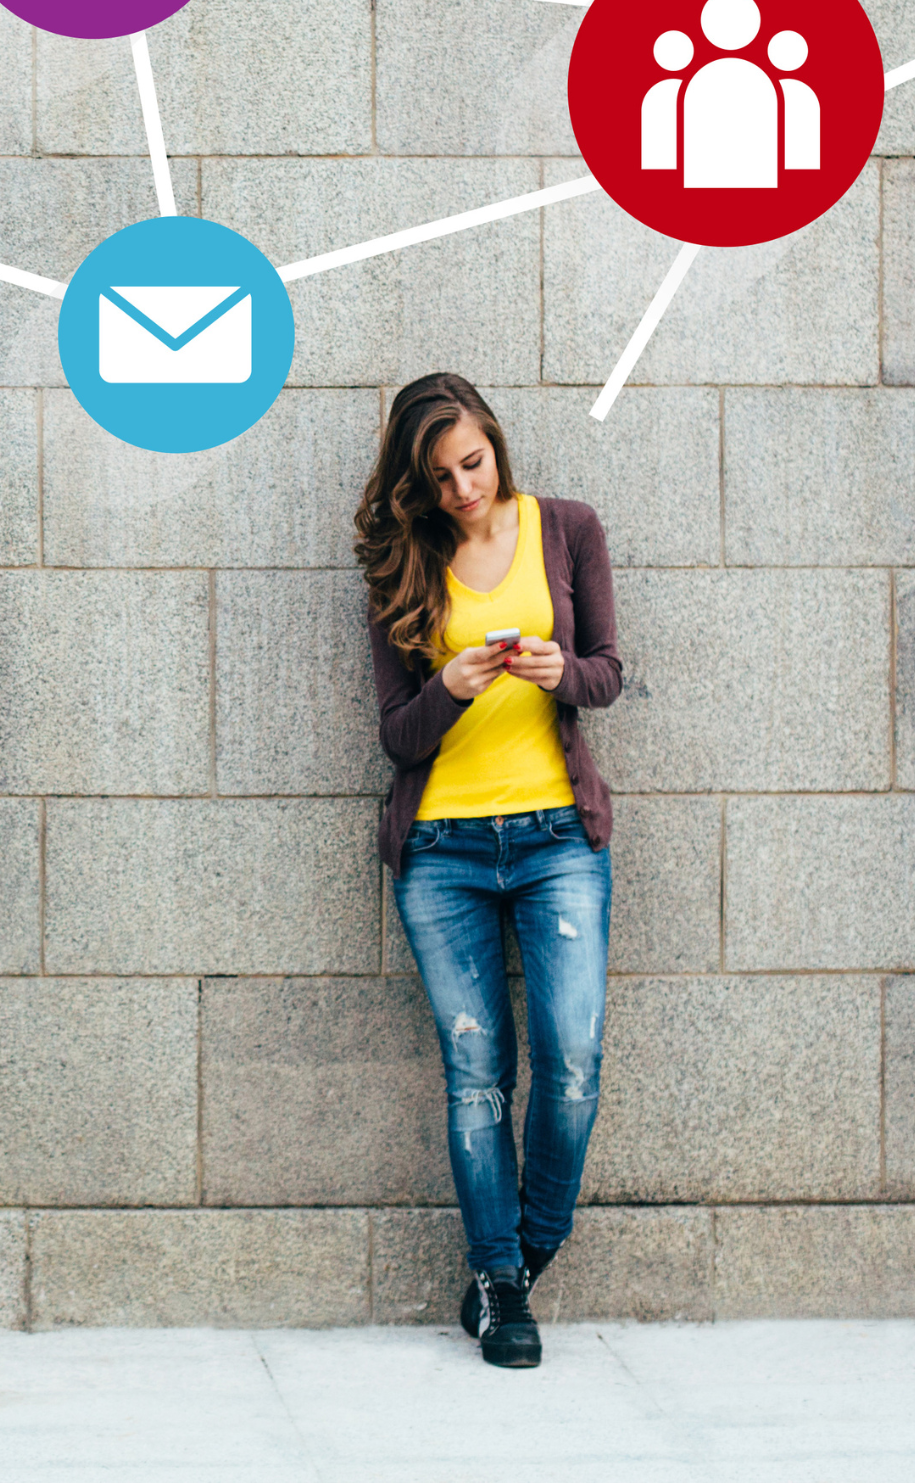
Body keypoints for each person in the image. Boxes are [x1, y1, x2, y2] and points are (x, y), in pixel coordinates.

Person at [354, 373, 621, 1370]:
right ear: (415, 485)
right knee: (475, 1077)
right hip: (442, 852)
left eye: (472, 462)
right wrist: (452, 688)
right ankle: (499, 1282)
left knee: (570, 1062)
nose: (463, 487)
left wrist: (561, 672)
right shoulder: (400, 563)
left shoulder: (566, 527)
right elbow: (393, 736)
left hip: (555, 837)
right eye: (439, 476)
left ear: (494, 446)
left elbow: (605, 669)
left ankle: (526, 1248)